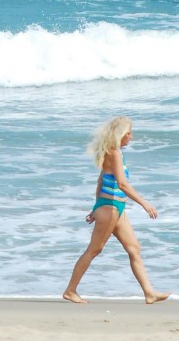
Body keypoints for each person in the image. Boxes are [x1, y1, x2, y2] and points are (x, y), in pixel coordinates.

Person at [63, 116, 170, 304]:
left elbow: (100, 181)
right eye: (129, 133)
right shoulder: (115, 153)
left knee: (134, 248)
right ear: (120, 135)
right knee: (94, 250)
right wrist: (144, 203)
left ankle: (149, 293)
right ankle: (70, 290)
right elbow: (122, 184)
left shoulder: (113, 152)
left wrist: (95, 207)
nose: (131, 137)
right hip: (110, 208)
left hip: (114, 207)